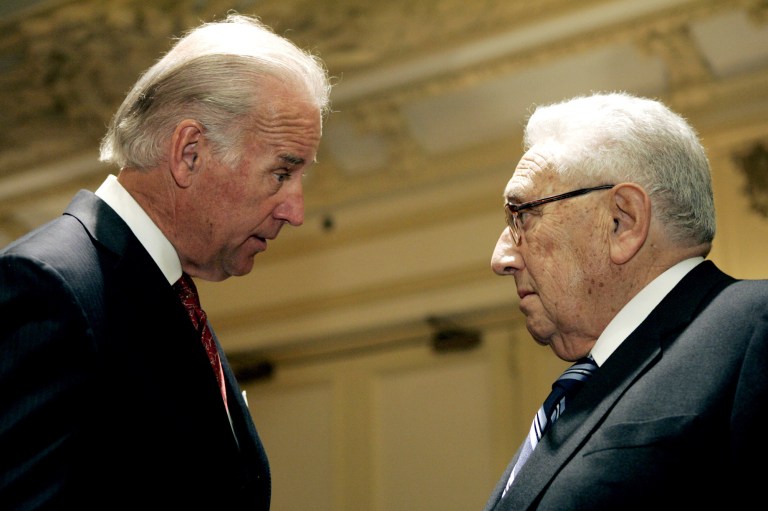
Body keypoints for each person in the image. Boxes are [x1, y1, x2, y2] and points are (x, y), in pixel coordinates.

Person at [0, 12, 332, 510]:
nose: (296, 211)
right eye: (281, 172)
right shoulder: (52, 287)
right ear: (190, 152)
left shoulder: (166, 293)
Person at [484, 91, 768, 510]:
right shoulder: (576, 393)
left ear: (623, 221)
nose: (500, 258)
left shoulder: (755, 328)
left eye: (522, 214)